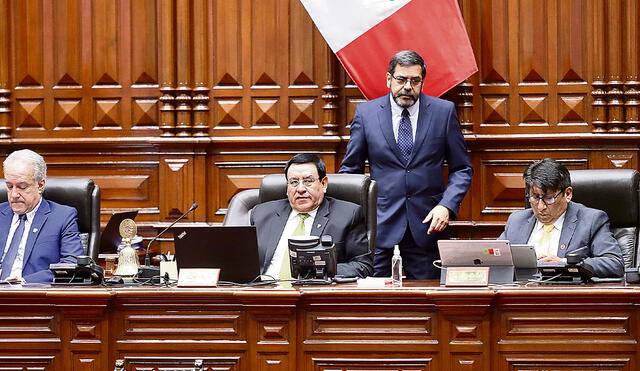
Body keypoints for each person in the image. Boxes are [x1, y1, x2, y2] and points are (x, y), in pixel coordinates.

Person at [339, 50, 473, 279]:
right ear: (389, 79)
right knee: (377, 304)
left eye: (415, 80)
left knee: (428, 305)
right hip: (380, 229)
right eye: (401, 79)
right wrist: (356, 221)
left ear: (422, 81)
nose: (408, 86)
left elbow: (462, 169)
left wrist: (446, 206)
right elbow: (351, 172)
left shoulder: (443, 112)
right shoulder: (366, 114)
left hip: (428, 227)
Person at [250, 153, 373, 279]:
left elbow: (363, 266)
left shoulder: (347, 215)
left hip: (314, 293)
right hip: (264, 291)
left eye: (308, 181)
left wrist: (321, 270)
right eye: (294, 182)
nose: (301, 189)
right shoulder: (261, 214)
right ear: (287, 187)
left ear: (323, 184)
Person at [499, 158, 624, 278]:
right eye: (535, 197)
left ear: (568, 194)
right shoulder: (516, 221)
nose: (541, 207)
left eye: (549, 198)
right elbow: (492, 258)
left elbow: (614, 263)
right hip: (520, 293)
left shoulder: (591, 220)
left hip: (566, 294)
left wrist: (564, 263)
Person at [0, 149, 84, 283]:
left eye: (22, 187)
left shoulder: (62, 217)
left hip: (35, 296)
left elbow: (71, 265)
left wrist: (24, 281)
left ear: (40, 185)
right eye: (9, 187)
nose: (14, 194)